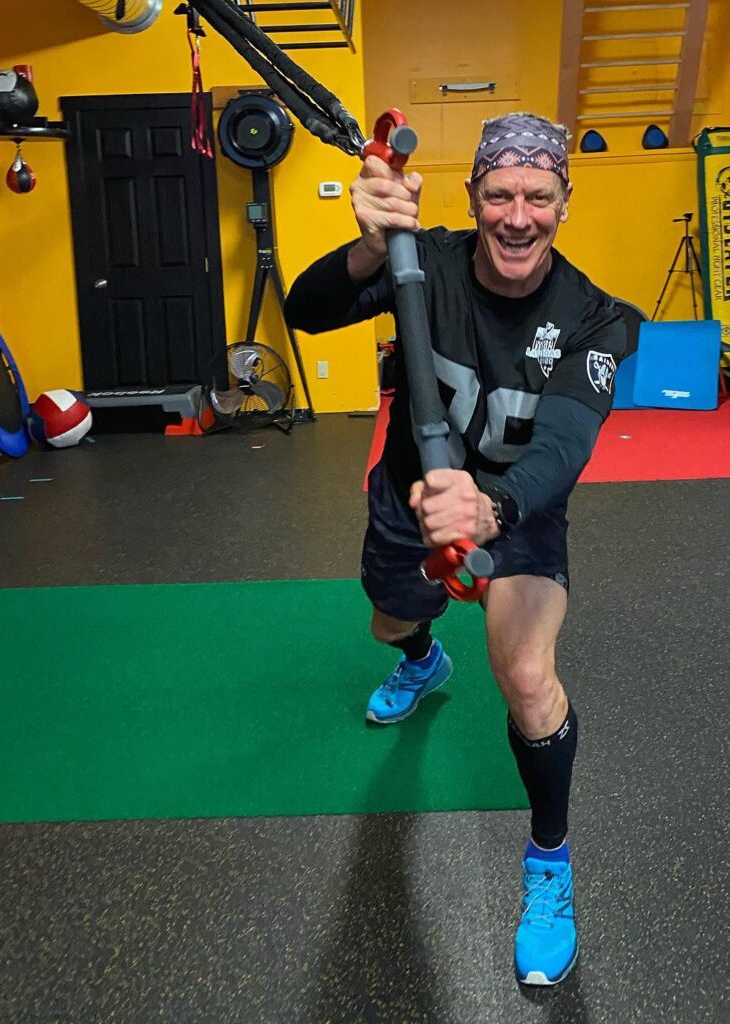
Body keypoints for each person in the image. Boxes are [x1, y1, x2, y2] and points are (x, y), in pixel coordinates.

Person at [285, 112, 626, 986]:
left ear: (563, 203)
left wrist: (493, 505)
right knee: (388, 621)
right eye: (501, 194)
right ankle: (422, 658)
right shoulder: (421, 264)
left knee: (526, 677)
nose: (519, 215)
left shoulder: (595, 319)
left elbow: (566, 445)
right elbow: (307, 311)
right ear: (474, 198)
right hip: (410, 496)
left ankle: (549, 863)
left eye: (538, 196)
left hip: (517, 510)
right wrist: (368, 249)